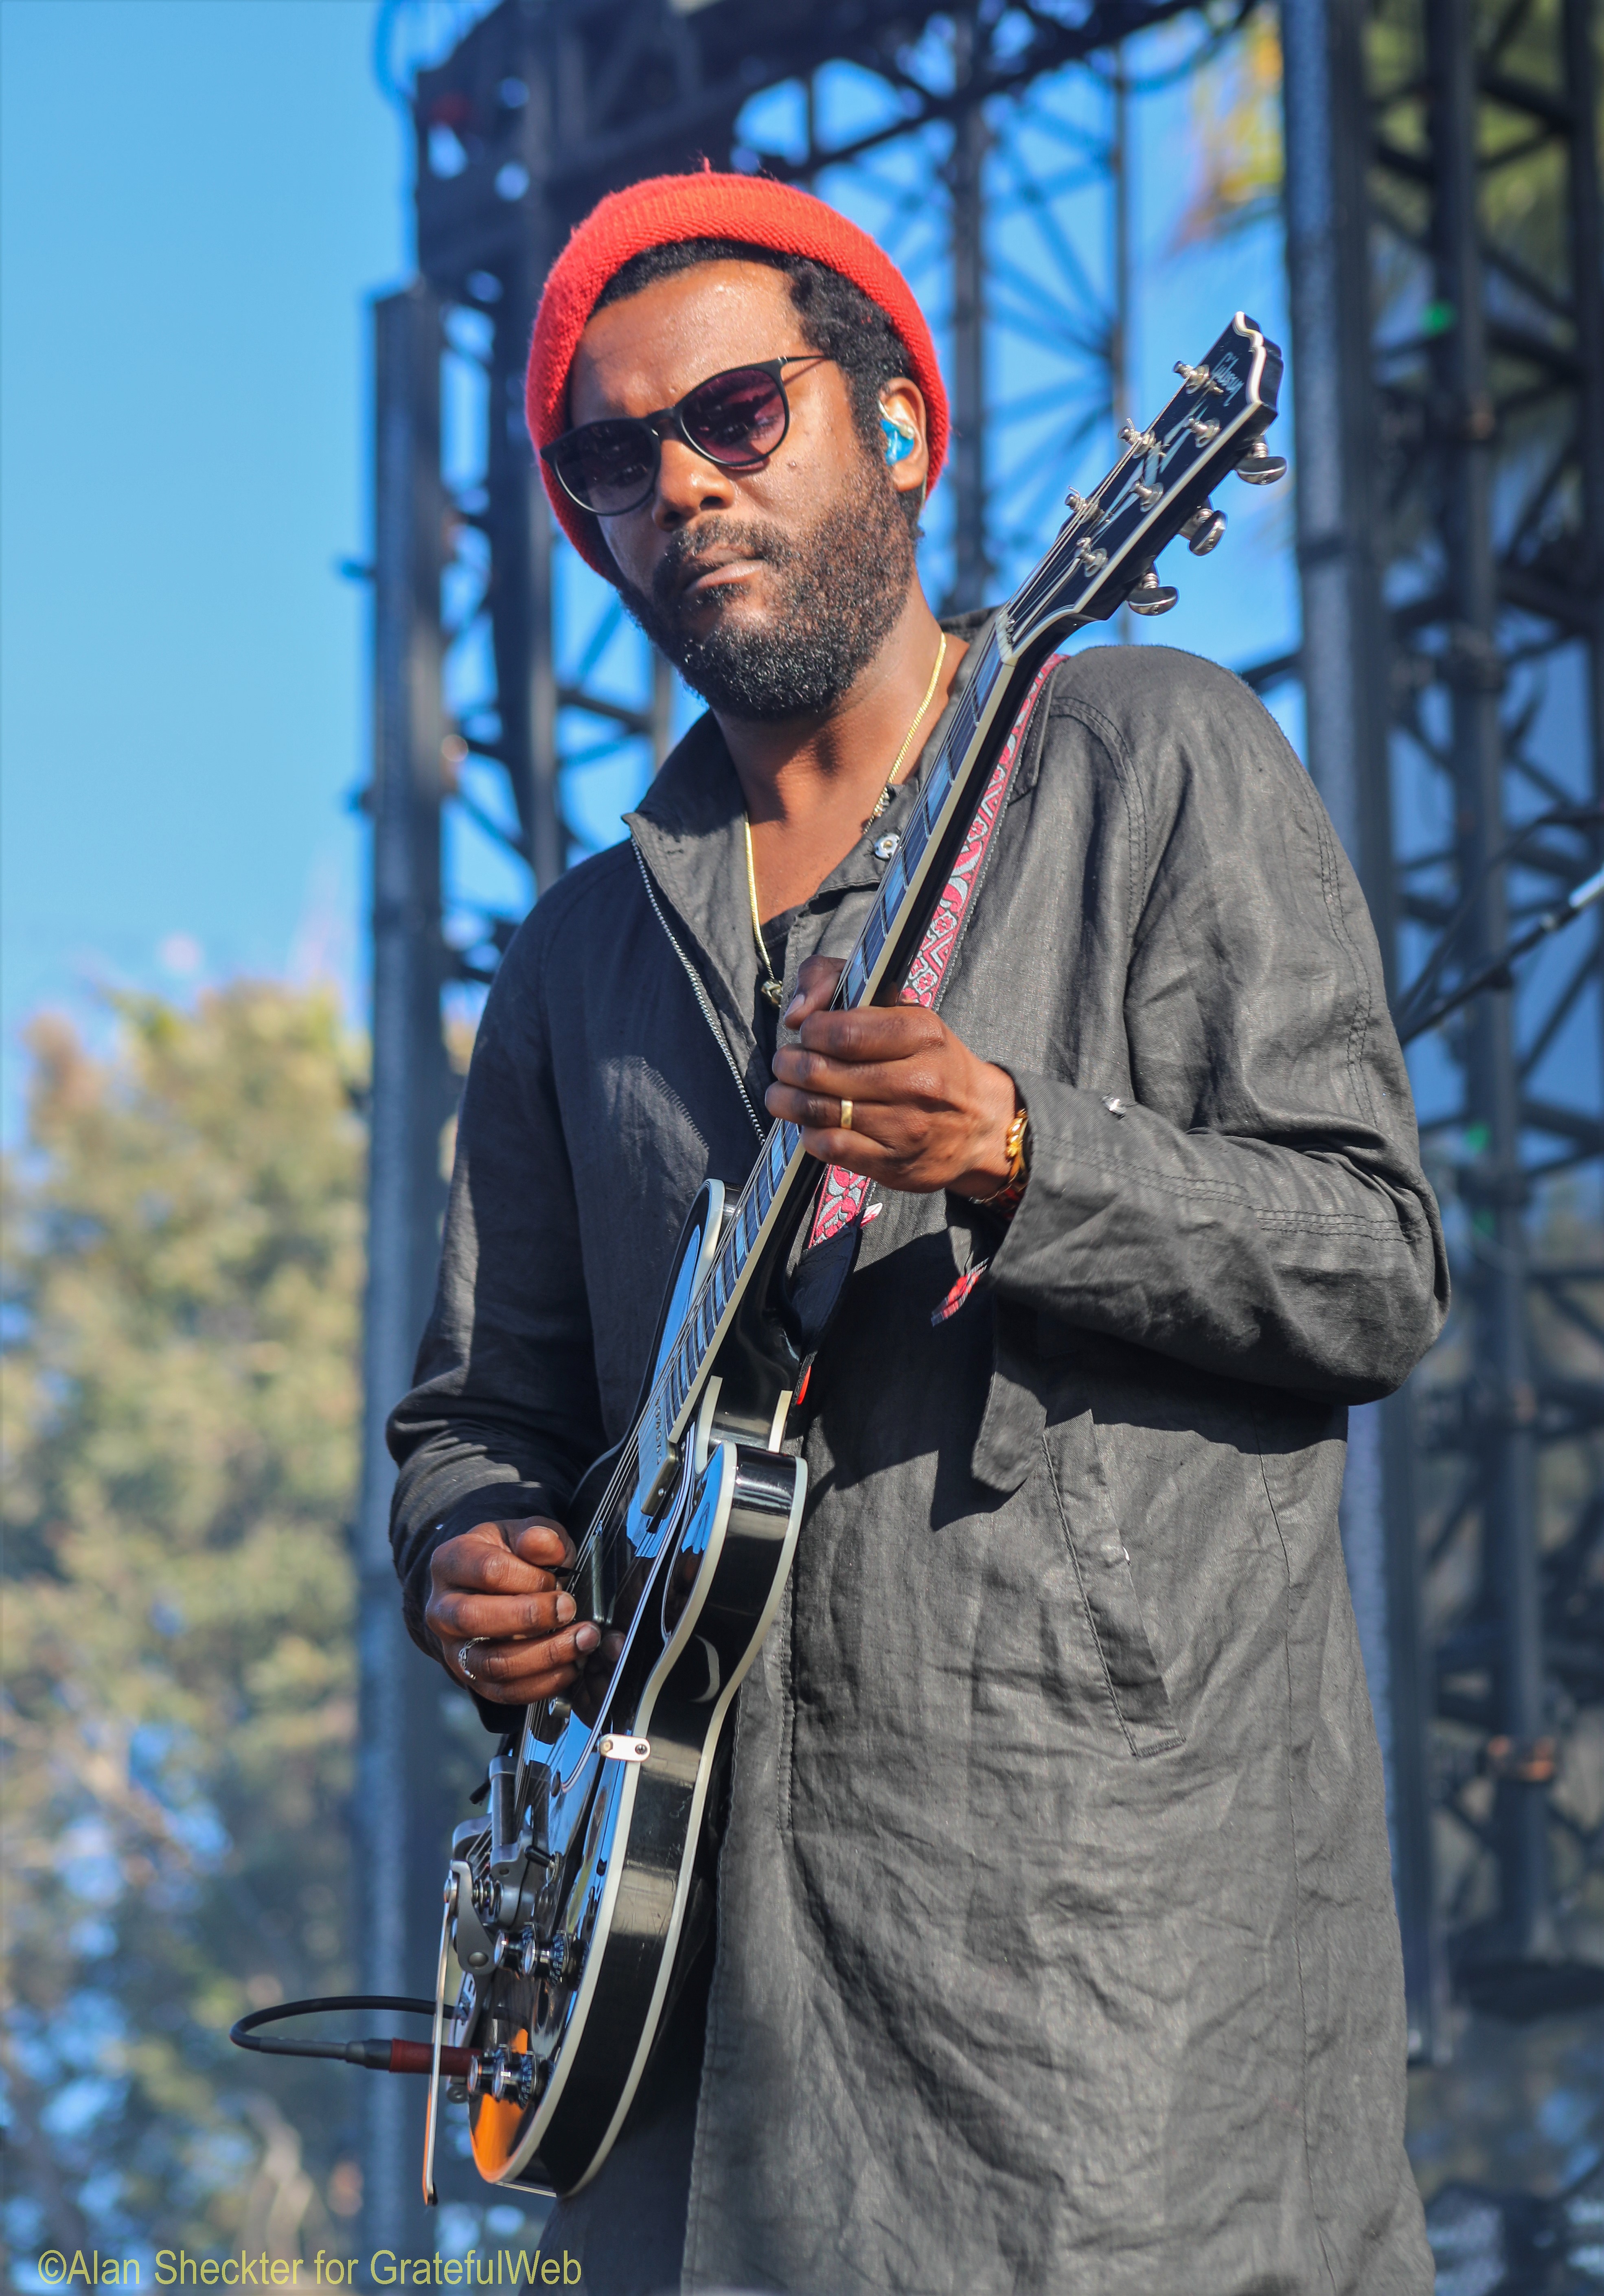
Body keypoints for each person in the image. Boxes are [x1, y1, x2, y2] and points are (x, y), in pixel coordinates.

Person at [388, 169, 1448, 2296]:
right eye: (613, 460)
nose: (678, 484)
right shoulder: (574, 958)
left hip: (1107, 2018)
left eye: (738, 415)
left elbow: (1364, 1263)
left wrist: (1022, 1151)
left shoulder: (1153, 752)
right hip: (691, 2051)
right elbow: (482, 1410)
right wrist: (468, 1548)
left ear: (900, 422)